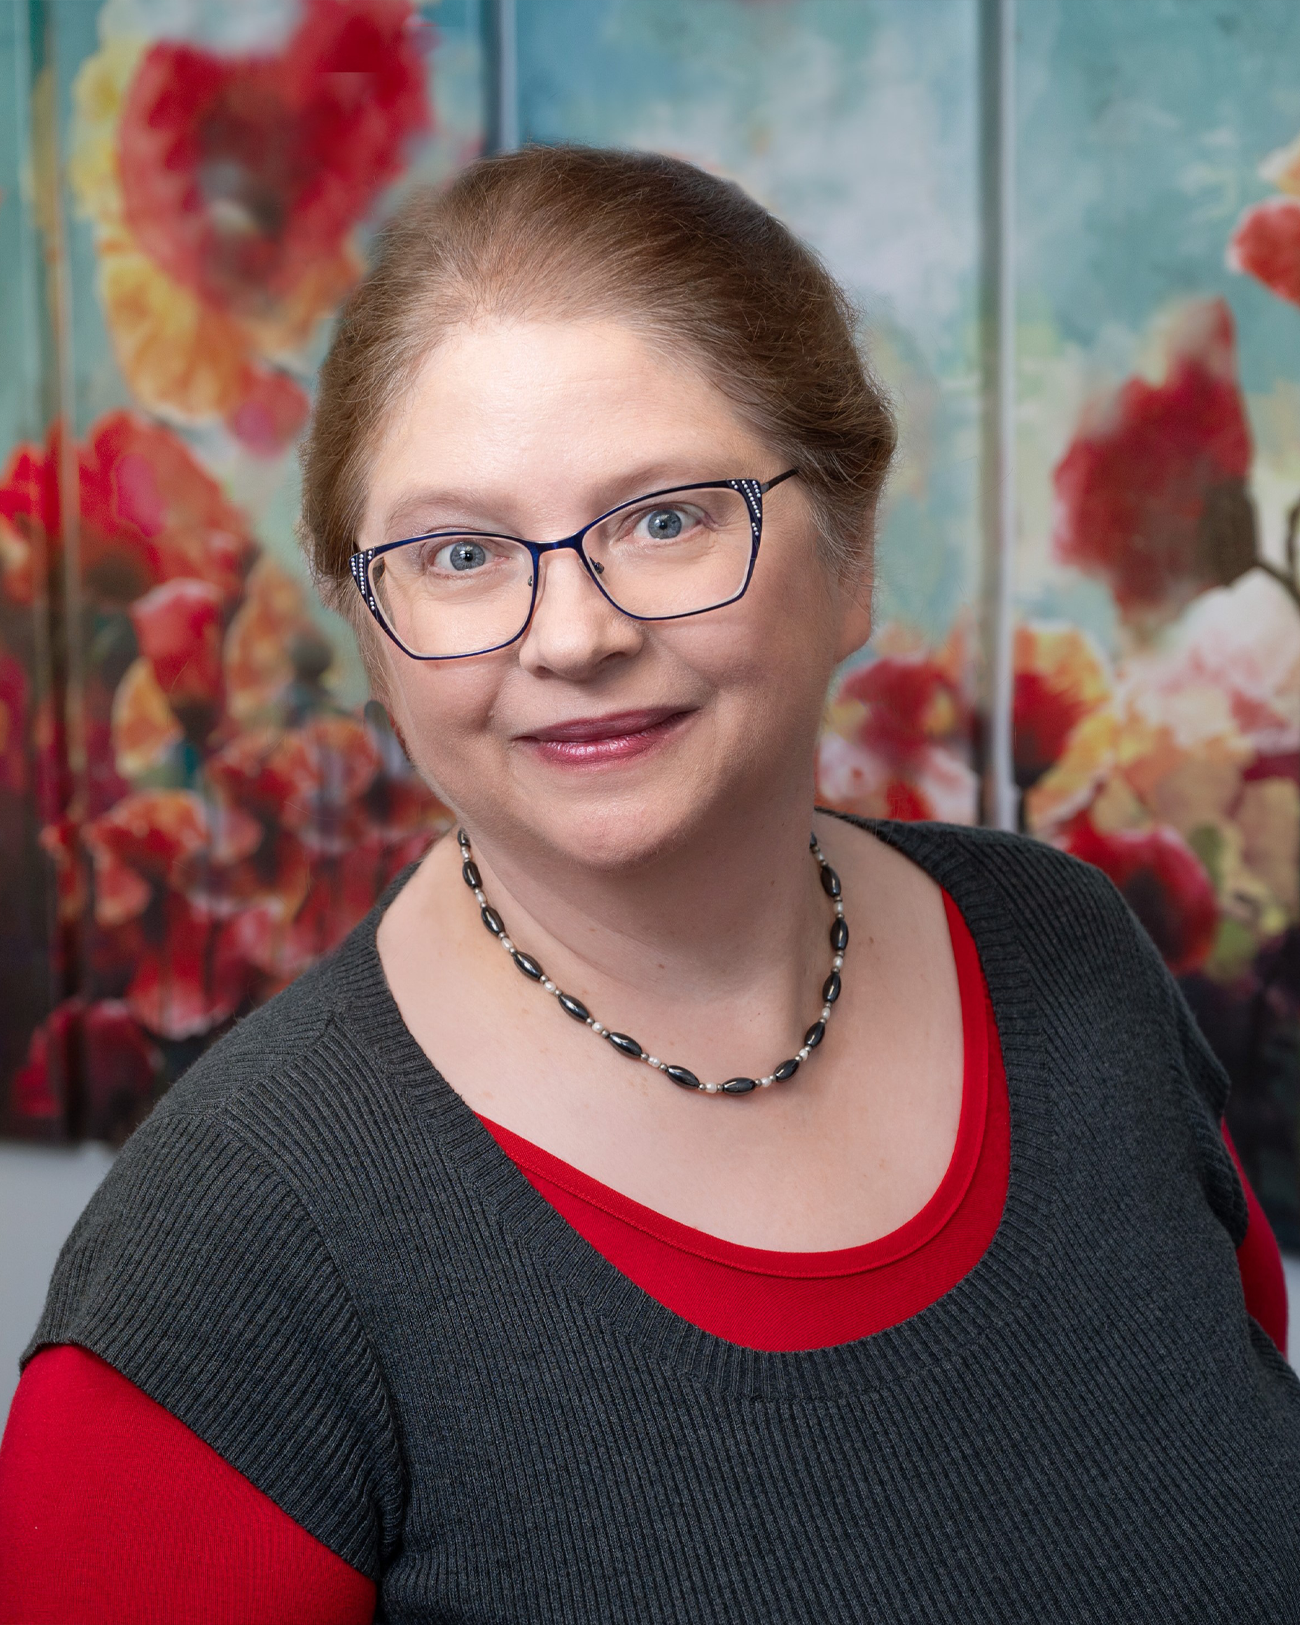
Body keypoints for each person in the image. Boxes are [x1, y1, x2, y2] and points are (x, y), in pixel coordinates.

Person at [0, 145, 1296, 1625]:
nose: (570, 634)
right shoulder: (224, 1260)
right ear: (371, 631)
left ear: (852, 551)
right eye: (460, 552)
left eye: (665, 519)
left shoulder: (1069, 959)